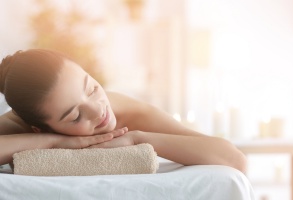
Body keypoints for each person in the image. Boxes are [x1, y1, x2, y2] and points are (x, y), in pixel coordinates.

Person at [0, 49, 246, 173]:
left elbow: (234, 160)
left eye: (92, 88)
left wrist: (138, 138)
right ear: (39, 127)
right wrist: (52, 142)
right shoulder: (15, 126)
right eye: (75, 116)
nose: (98, 111)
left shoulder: (130, 112)